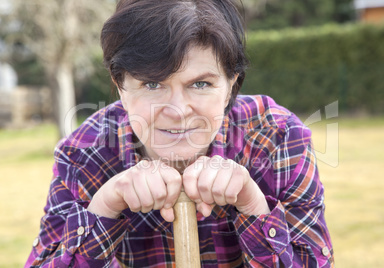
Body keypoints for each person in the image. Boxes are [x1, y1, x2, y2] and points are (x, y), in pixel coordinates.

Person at [25, 0, 334, 267]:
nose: (177, 110)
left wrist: (254, 206)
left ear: (231, 86)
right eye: (152, 84)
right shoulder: (82, 154)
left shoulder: (279, 138)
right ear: (120, 86)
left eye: (200, 84)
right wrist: (105, 207)